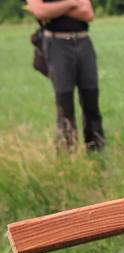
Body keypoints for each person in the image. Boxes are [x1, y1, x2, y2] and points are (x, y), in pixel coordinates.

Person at [25, 0, 105, 151]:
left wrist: (53, 10)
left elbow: (88, 13)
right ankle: (66, 154)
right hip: (56, 44)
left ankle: (96, 149)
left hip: (83, 41)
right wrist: (72, 3)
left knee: (91, 98)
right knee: (64, 102)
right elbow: (39, 12)